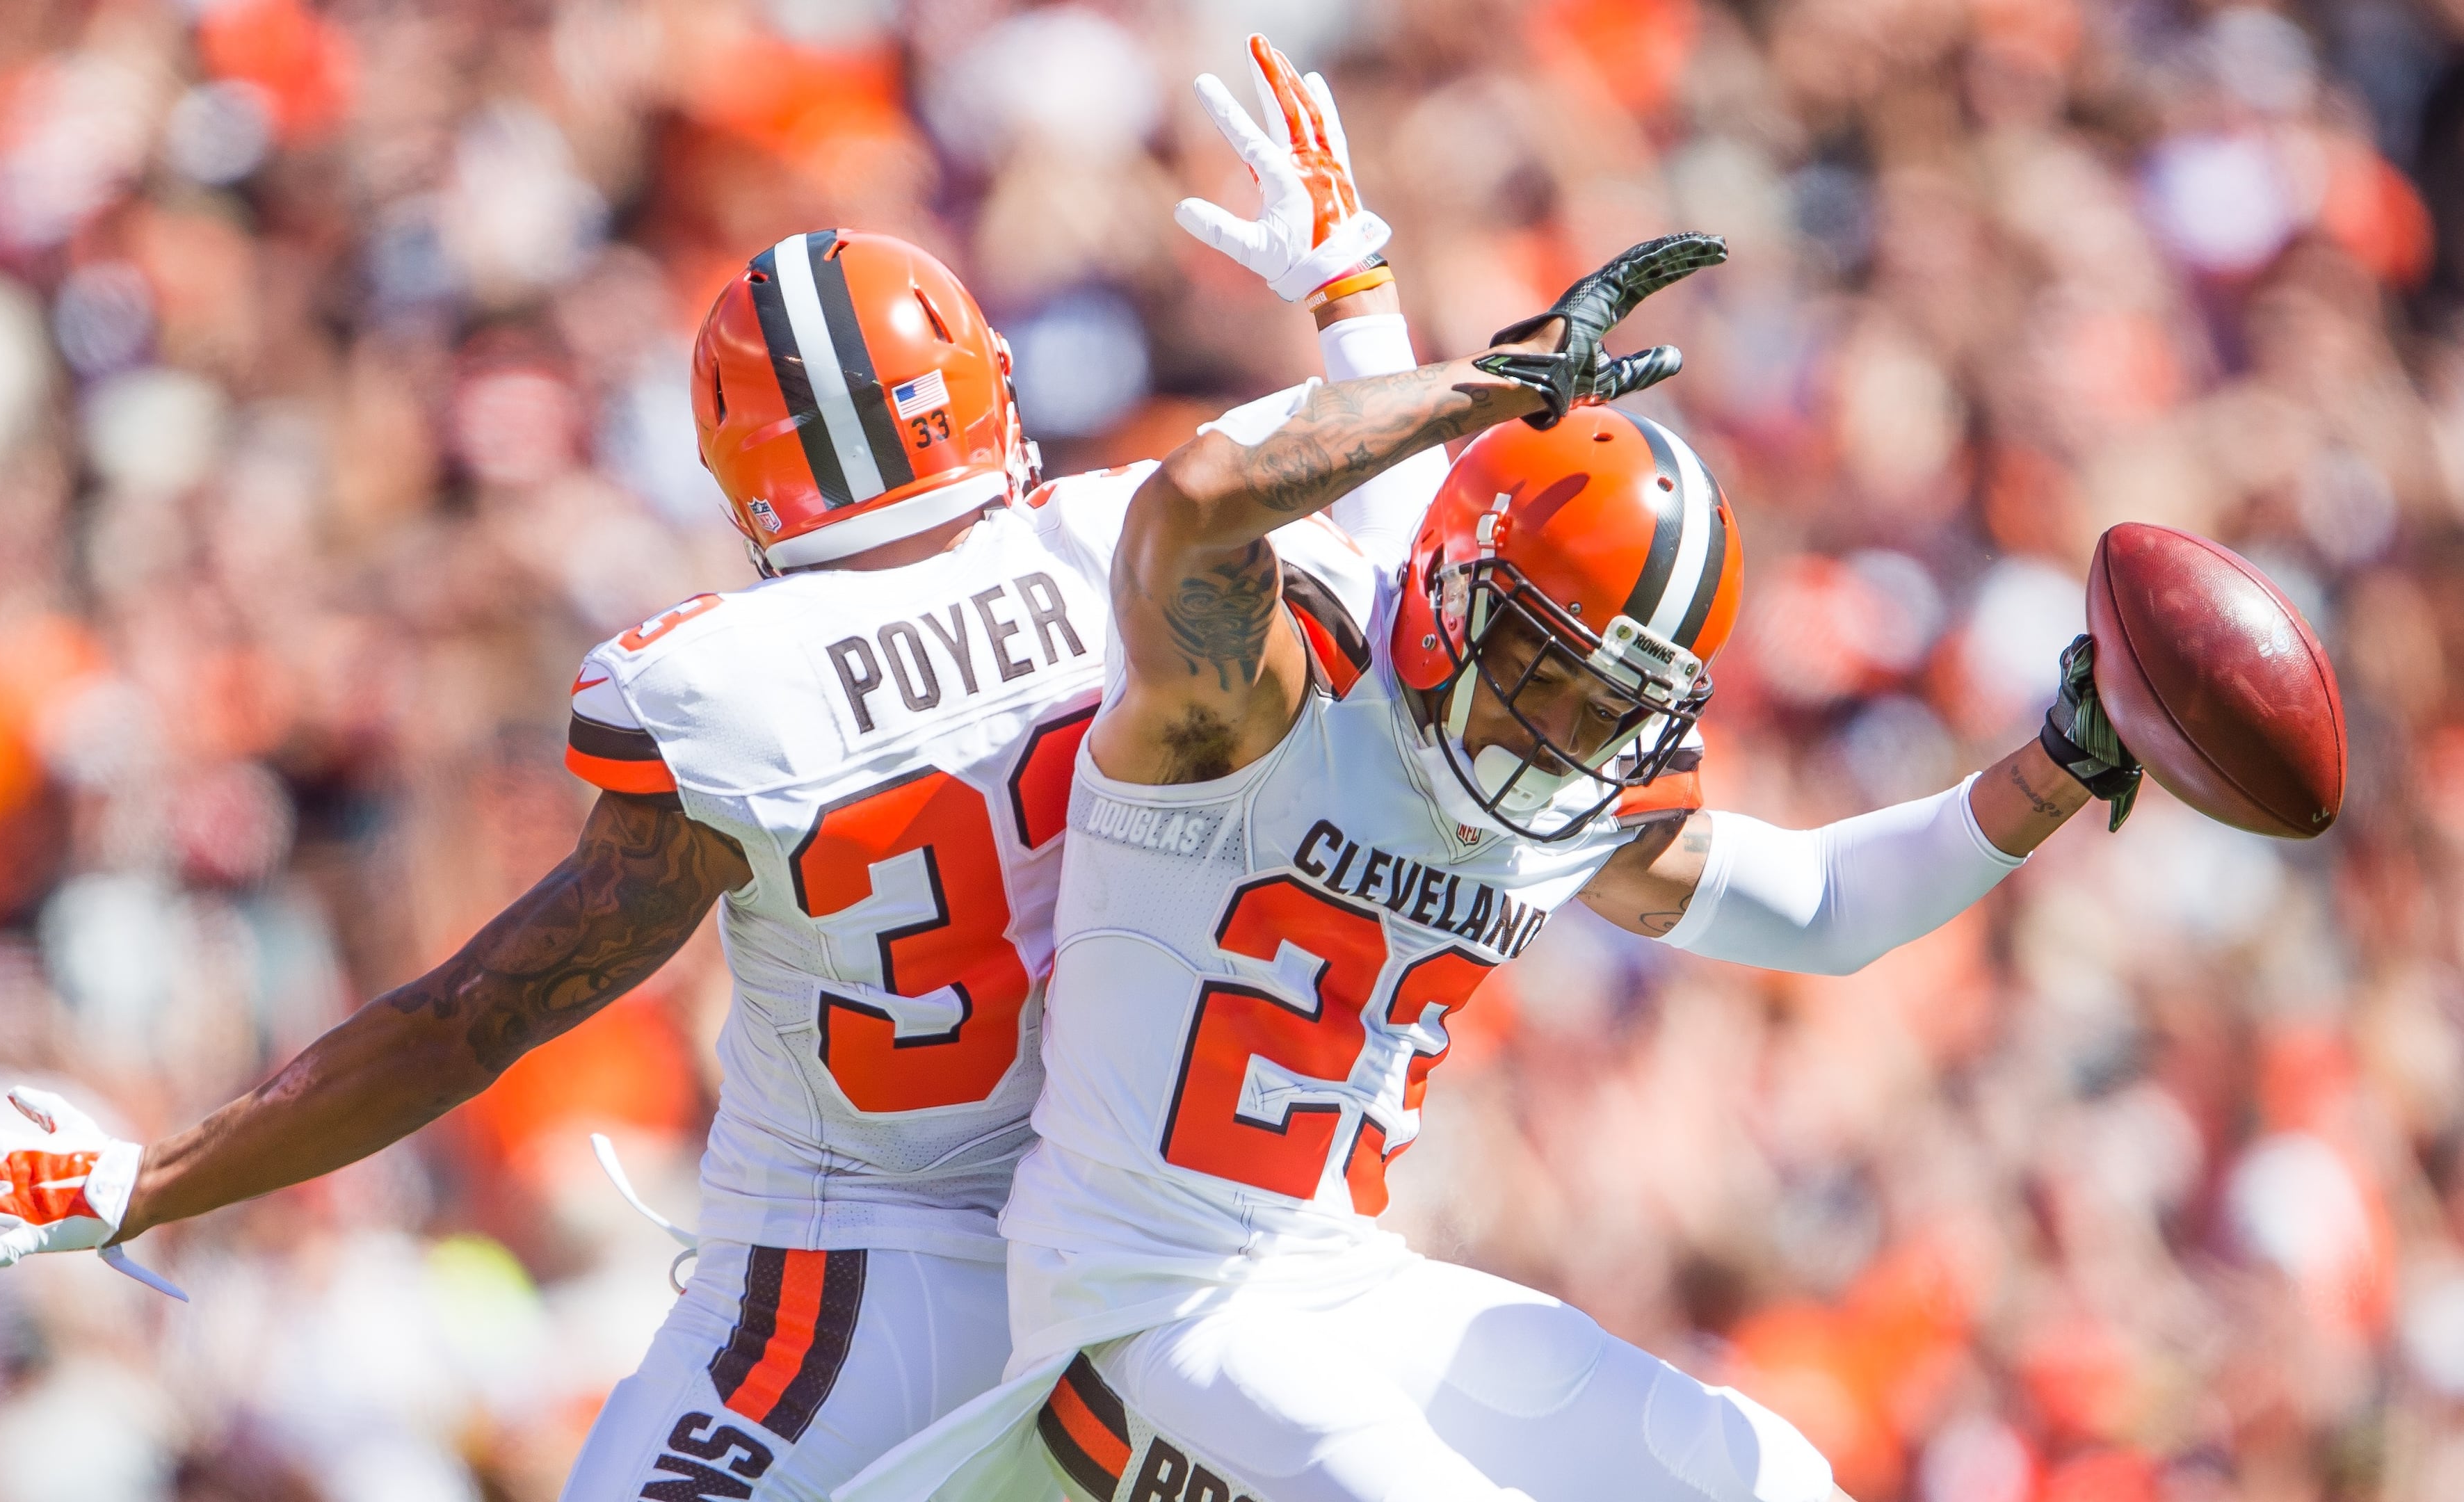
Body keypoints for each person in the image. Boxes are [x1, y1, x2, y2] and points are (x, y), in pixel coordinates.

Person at [0, 37, 1492, 1502]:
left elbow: (477, 1015)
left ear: (746, 472)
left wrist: (151, 1181)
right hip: (1150, 1266)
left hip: (849, 1289)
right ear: (983, 394)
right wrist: (1354, 288)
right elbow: (1401, 548)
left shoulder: (732, 691)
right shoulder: (1124, 556)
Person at [835, 54, 2150, 1502]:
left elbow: (1827, 903)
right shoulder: (1264, 702)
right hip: (1143, 1299)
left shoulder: (1547, 766)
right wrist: (1484, 379)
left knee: (1759, 1471)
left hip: (1333, 1276)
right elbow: (1194, 511)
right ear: (1456, 594)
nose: (1571, 731)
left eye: (1615, 704)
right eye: (1553, 672)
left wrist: (2063, 763)